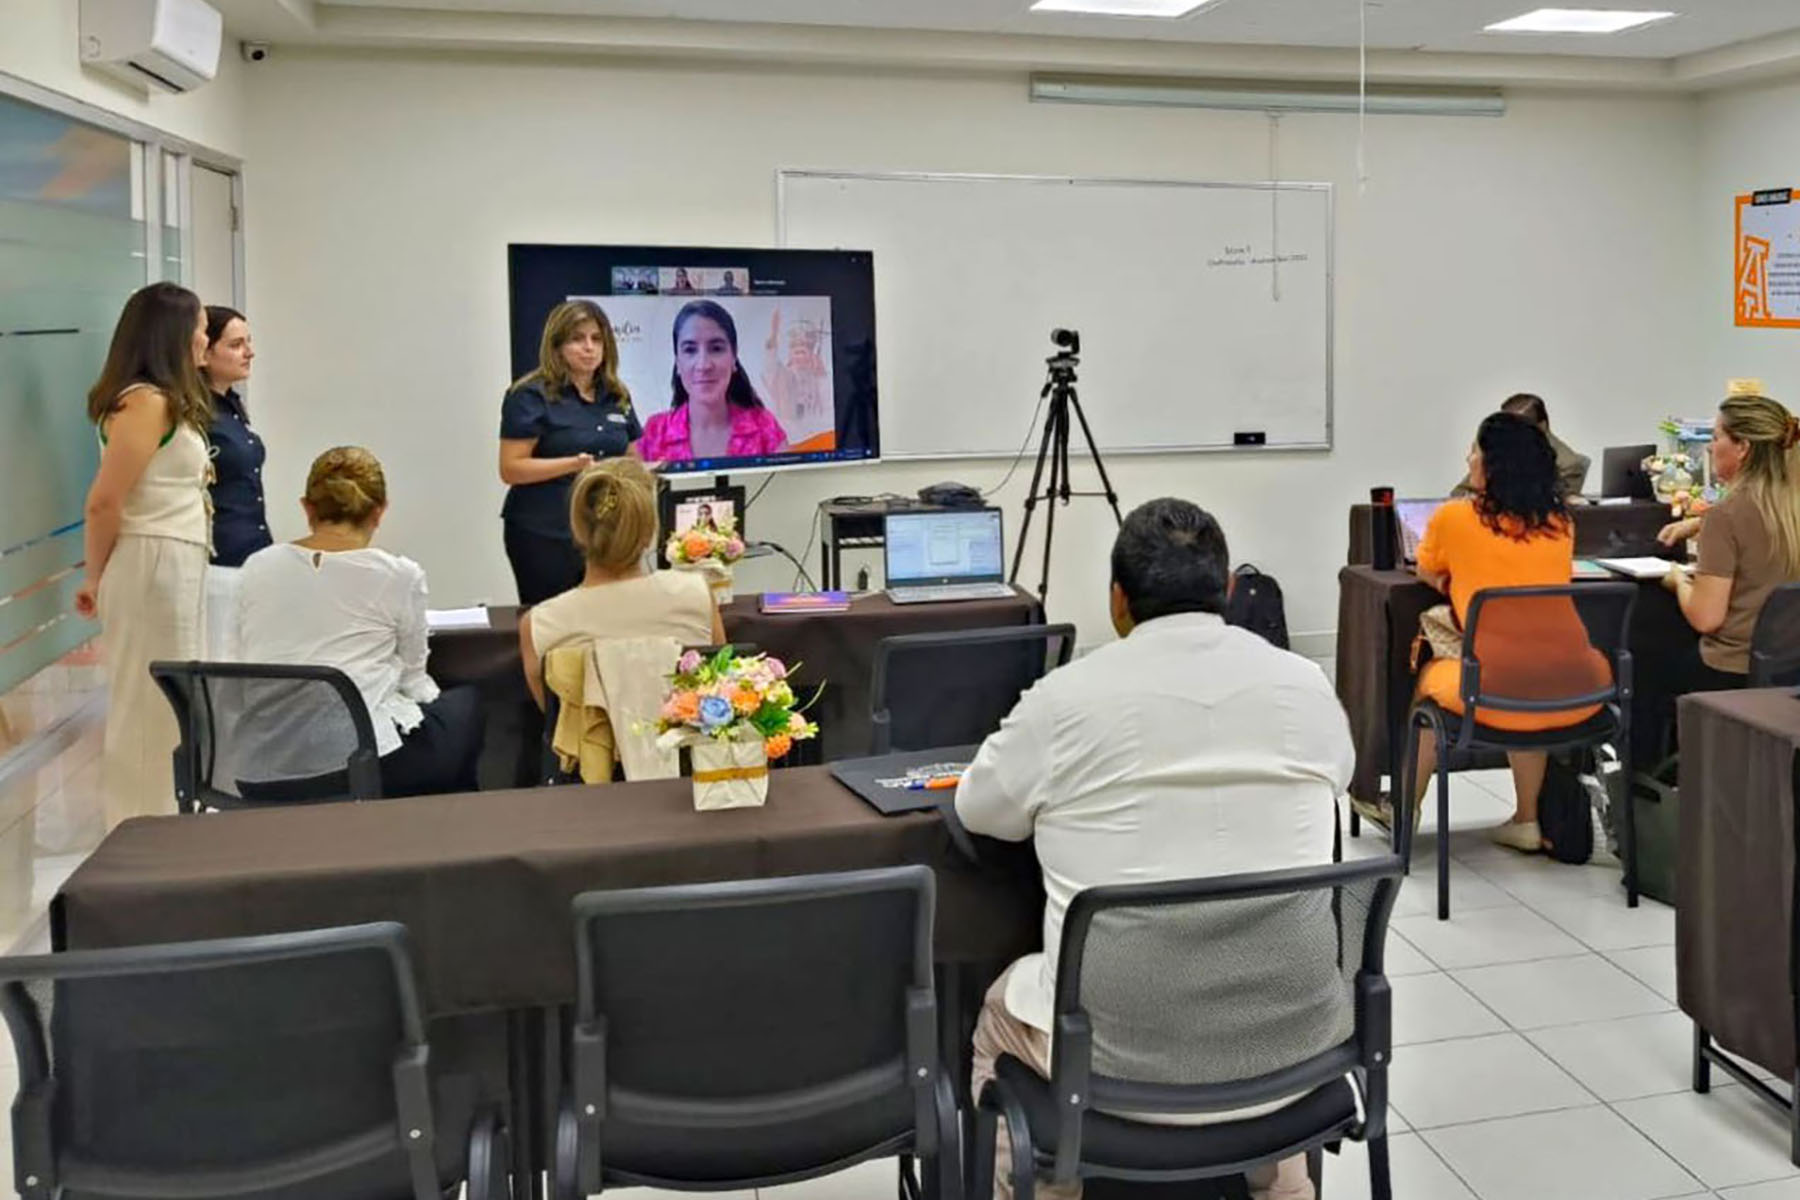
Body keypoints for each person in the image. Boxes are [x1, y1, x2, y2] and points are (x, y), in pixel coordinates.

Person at [957, 498, 1353, 1200]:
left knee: (996, 1014)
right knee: (1263, 978)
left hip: (1115, 1070)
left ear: (1118, 602)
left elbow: (979, 810)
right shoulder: (1306, 685)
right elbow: (1336, 783)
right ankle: (1281, 1183)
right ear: (1228, 591)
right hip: (1293, 1053)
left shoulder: (1063, 699)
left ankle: (1055, 1186)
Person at [1385, 412, 1610, 853]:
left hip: (1494, 688)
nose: (1469, 458)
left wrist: (1451, 582)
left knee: (1429, 688)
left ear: (1491, 464)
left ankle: (1404, 812)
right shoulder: (1561, 524)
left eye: (1474, 450)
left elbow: (1427, 568)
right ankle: (1526, 819)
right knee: (1526, 673)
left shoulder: (1455, 518)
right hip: (1578, 686)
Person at [238, 447, 485, 798]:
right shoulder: (399, 575)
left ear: (307, 507)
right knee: (466, 704)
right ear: (379, 512)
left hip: (261, 769)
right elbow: (416, 679)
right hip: (356, 766)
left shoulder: (258, 566)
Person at [78, 282, 214, 829]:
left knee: (174, 704)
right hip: (150, 559)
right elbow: (105, 501)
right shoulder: (145, 401)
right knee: (149, 706)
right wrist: (96, 577)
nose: (205, 337)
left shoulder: (166, 401)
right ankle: (136, 830)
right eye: (202, 327)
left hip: (174, 560)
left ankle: (167, 820)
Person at [1642, 391, 1800, 752]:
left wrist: (1679, 580)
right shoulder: (1787, 509)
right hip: (1790, 671)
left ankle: (1651, 784)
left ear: (1743, 446)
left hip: (1730, 668)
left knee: (1642, 663)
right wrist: (1699, 524)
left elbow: (1706, 618)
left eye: (1715, 438)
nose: (1710, 449)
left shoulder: (1730, 516)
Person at [520, 458, 724, 708]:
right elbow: (719, 689)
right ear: (649, 532)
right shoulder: (696, 593)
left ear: (577, 529)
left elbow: (556, 721)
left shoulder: (539, 624)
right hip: (683, 747)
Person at [499, 300, 642, 605]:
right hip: (545, 532)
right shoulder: (530, 395)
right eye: (577, 339)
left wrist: (645, 471)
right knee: (554, 625)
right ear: (557, 345)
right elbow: (510, 469)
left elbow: (632, 456)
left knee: (606, 620)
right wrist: (572, 465)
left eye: (596, 339)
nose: (589, 348)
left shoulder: (617, 394)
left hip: (605, 531)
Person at [637, 301, 789, 463]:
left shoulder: (764, 428)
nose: (703, 365)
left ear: (734, 358)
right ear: (678, 363)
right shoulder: (654, 433)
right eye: (690, 350)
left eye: (716, 349)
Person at [200, 305, 271, 567]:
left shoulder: (231, 407)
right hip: (216, 557)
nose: (249, 353)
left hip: (252, 548)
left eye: (248, 342)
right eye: (236, 345)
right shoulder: (193, 415)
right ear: (204, 352)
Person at [1454, 393, 1590, 499]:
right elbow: (1458, 494)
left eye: (1520, 427)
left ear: (1541, 426)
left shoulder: (1568, 465)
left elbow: (1559, 508)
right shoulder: (1494, 454)